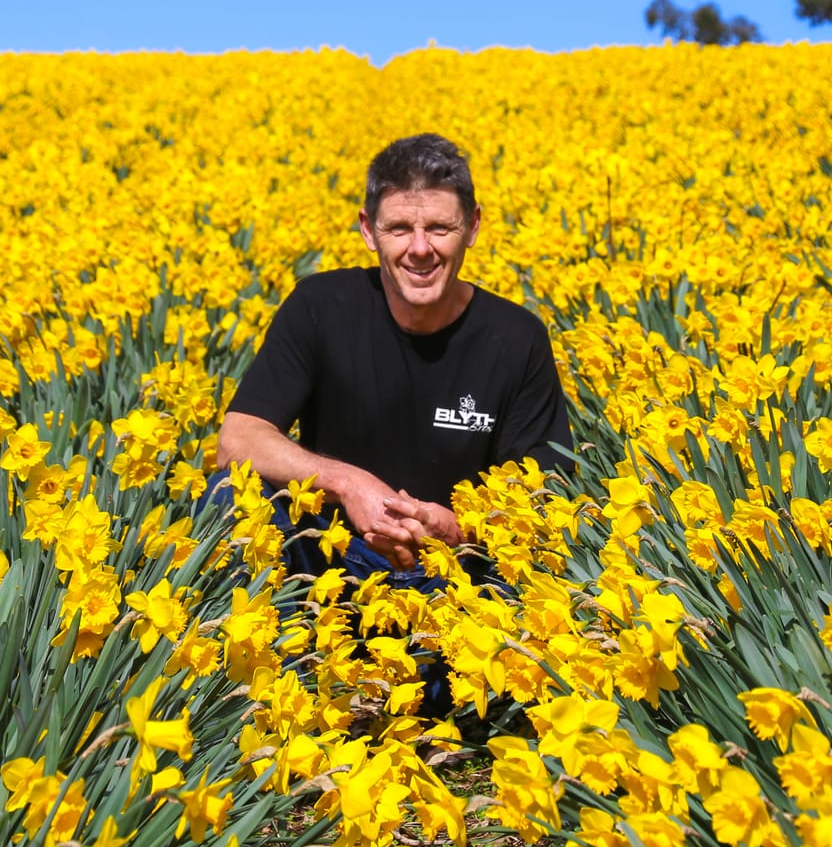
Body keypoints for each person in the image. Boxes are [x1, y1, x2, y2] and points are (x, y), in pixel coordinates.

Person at [212, 132, 573, 584]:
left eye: (440, 229)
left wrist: (458, 529)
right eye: (399, 229)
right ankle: (271, 650)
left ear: (474, 226)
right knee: (231, 493)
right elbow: (239, 439)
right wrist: (349, 485)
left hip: (455, 573)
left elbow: (546, 494)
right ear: (368, 229)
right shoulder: (320, 306)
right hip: (328, 561)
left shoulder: (517, 339)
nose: (420, 249)